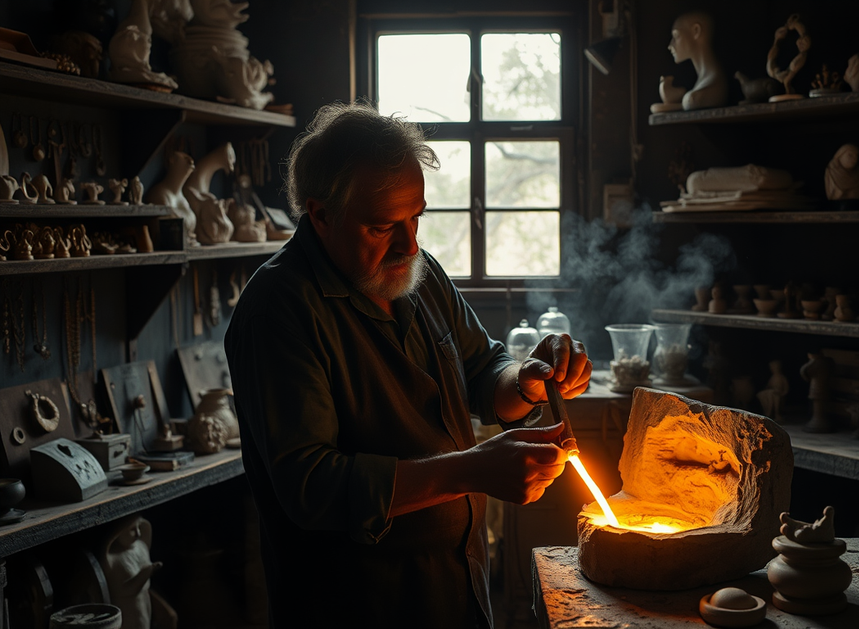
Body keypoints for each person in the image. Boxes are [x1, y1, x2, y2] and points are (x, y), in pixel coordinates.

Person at [224, 101, 592, 628]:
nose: (410, 243)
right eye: (381, 226)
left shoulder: (415, 271)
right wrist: (473, 468)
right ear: (321, 214)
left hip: (454, 587)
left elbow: (484, 370)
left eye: (417, 216)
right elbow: (310, 486)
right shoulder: (278, 309)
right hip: (357, 604)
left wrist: (529, 378)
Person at [666, 11, 728, 110]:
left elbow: (690, 101)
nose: (670, 46)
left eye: (676, 36)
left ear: (696, 31)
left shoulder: (708, 89)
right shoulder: (700, 86)